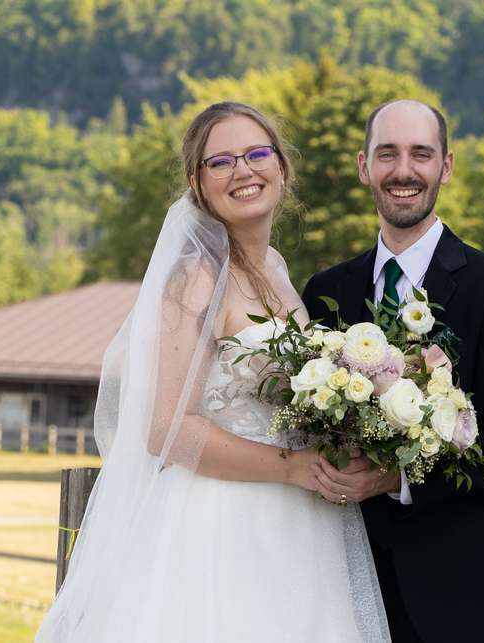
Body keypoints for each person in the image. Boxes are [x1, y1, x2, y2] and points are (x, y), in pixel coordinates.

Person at [36, 102, 390, 643]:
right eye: (220, 162)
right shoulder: (194, 278)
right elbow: (167, 428)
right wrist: (291, 467)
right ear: (197, 185)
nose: (243, 171)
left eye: (256, 153)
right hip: (218, 525)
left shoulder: (277, 270)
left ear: (282, 166)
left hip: (300, 528)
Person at [302, 100, 484, 643]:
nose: (403, 171)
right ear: (365, 167)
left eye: (420, 154)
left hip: (452, 593)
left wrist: (395, 478)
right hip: (337, 581)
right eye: (387, 154)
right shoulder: (325, 292)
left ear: (446, 167)